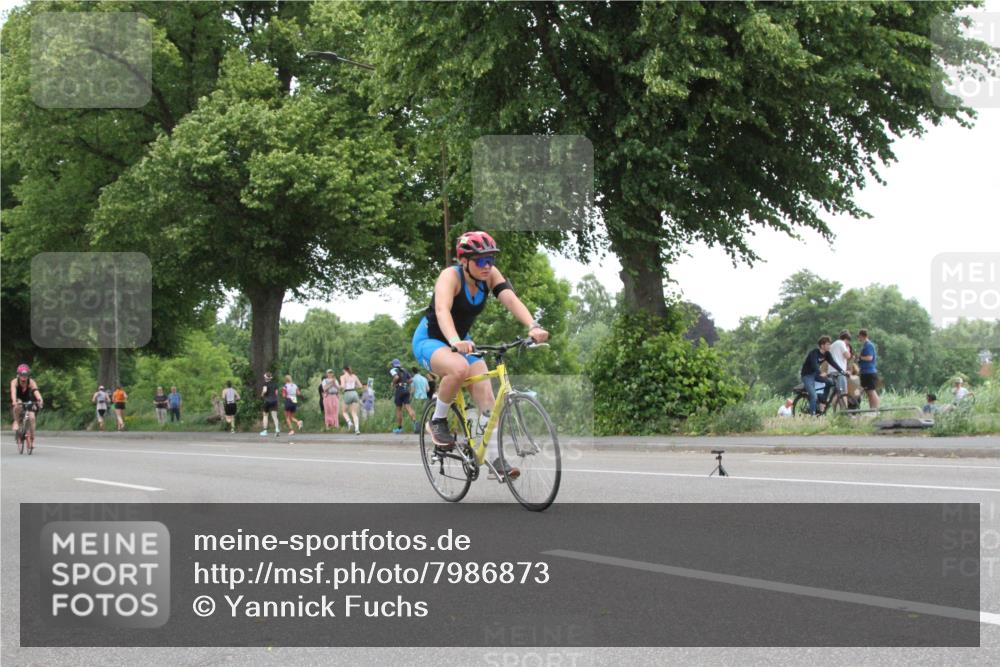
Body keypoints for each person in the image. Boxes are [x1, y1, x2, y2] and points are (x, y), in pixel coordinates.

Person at [411, 231, 549, 480]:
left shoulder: (489, 276)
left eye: (491, 260)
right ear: (464, 261)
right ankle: (438, 420)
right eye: (481, 261)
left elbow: (510, 299)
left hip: (462, 342)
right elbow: (442, 311)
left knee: (487, 398)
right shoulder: (449, 276)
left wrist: (533, 325)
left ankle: (495, 459)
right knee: (458, 368)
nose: (488, 266)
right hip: (431, 339)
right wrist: (454, 341)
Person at [800, 335, 844, 416]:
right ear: (822, 345)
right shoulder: (814, 353)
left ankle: (822, 399)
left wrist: (842, 371)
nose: (829, 346)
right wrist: (820, 372)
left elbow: (833, 363)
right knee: (813, 396)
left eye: (830, 344)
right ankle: (812, 416)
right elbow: (814, 365)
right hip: (807, 375)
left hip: (815, 374)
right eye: (828, 344)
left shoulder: (827, 354)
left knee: (830, 382)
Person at [10, 364, 43, 440]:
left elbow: (36, 391)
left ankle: (32, 437)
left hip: (28, 400)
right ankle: (16, 422)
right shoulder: (14, 382)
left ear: (28, 375)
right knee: (18, 404)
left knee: (32, 417)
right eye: (21, 374)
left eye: (25, 375)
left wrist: (40, 399)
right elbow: (13, 392)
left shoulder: (31, 382)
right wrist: (14, 401)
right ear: (18, 375)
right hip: (17, 399)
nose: (24, 377)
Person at [389, 359, 416, 434]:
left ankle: (400, 428)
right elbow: (411, 380)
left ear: (393, 365)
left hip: (399, 390)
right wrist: (404, 383)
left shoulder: (393, 370)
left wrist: (393, 384)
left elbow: (396, 377)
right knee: (408, 407)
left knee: (398, 409)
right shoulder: (404, 370)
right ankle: (415, 424)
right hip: (406, 389)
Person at [857, 329, 880, 410]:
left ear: (862, 336)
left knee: (872, 391)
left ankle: (876, 409)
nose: (858, 338)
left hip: (869, 372)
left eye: (859, 336)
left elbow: (869, 358)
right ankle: (871, 409)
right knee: (868, 392)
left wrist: (860, 357)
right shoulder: (865, 345)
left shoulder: (869, 345)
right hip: (864, 372)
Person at [340, 365, 363, 434]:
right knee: (354, 413)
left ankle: (349, 422)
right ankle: (357, 429)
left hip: (347, 393)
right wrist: (353, 385)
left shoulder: (343, 377)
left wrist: (339, 387)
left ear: (344, 370)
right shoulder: (354, 376)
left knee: (344, 411)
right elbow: (360, 386)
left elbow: (343, 386)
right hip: (354, 393)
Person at [829, 331, 852, 399]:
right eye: (848, 342)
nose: (848, 343)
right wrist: (848, 350)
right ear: (846, 339)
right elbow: (847, 356)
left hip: (831, 372)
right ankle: (844, 409)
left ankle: (835, 409)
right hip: (839, 372)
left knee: (835, 393)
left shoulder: (833, 345)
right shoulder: (842, 343)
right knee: (843, 393)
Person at [259, 371, 281, 437]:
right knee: (275, 416)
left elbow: (265, 390)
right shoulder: (275, 383)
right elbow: (276, 393)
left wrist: (262, 395)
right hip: (274, 401)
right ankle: (277, 429)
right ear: (271, 377)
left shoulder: (265, 383)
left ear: (265, 377)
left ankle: (265, 431)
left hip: (267, 401)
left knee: (265, 415)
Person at [409, 366, 430, 430]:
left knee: (415, 412)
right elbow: (428, 389)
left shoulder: (413, 379)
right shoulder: (424, 378)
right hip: (424, 398)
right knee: (425, 412)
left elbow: (412, 390)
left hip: (417, 398)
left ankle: (416, 427)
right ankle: (427, 427)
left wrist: (409, 396)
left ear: (412, 372)